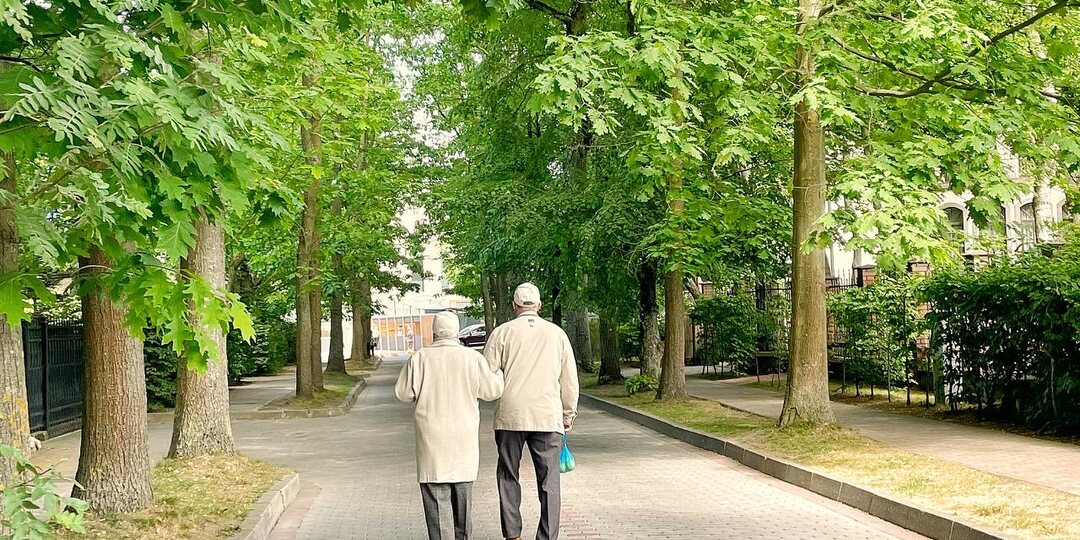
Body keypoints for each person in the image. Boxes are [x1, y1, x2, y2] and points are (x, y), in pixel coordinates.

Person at [395, 311, 505, 540]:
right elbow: (492, 391)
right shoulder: (472, 358)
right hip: (463, 442)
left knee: (436, 504)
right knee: (463, 508)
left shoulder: (420, 358)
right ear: (456, 333)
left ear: (434, 332)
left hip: (431, 441)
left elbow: (403, 393)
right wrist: (500, 374)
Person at [483, 282, 579, 540]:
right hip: (547, 415)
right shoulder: (557, 334)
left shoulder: (501, 334)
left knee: (508, 474)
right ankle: (547, 537)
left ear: (514, 305)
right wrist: (568, 413)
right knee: (549, 482)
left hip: (510, 415)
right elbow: (569, 378)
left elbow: (487, 376)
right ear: (539, 305)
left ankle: (513, 534)